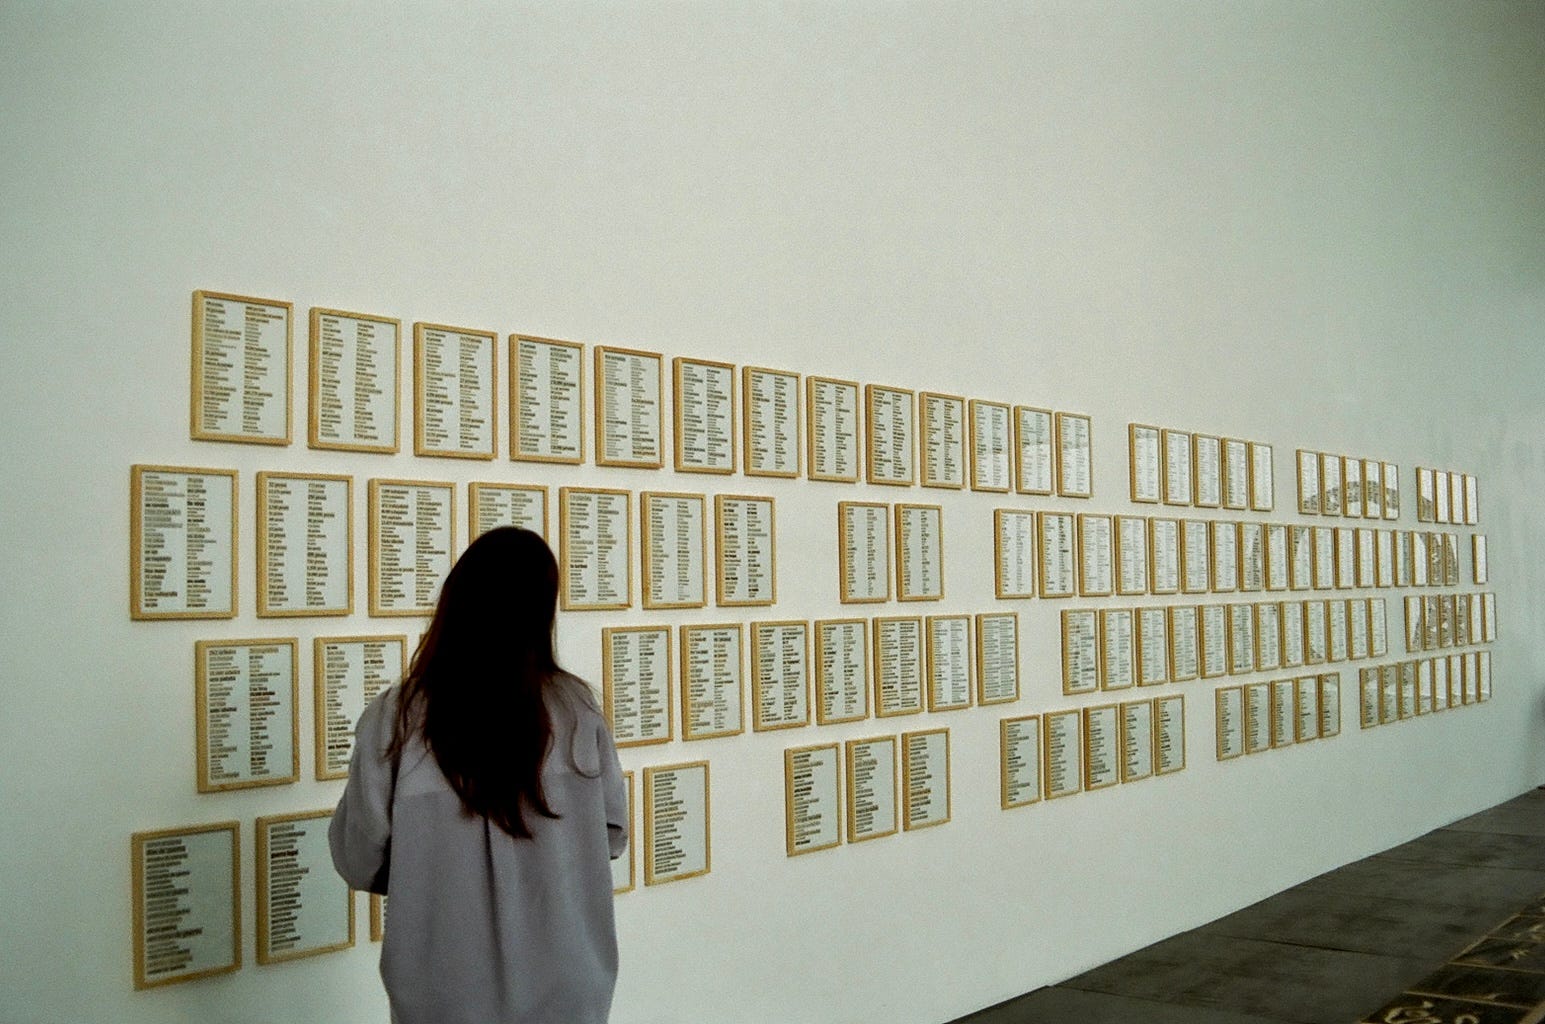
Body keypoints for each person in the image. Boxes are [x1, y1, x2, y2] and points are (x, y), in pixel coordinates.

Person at [330, 526, 627, 1024]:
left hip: (440, 995)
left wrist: (426, 866)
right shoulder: (578, 711)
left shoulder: (395, 719)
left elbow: (358, 859)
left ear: (455, 600)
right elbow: (612, 836)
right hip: (570, 991)